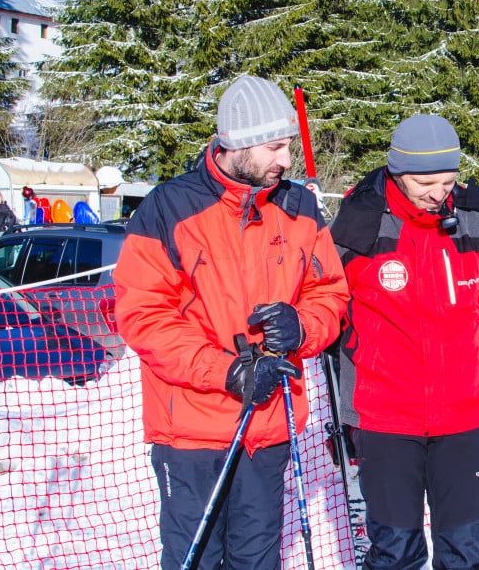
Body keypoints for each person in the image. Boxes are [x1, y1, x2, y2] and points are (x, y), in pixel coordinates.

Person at [113, 75, 350, 569]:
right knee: (194, 559)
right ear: (235, 145)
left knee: (257, 560)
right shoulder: (169, 208)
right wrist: (227, 371)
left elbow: (329, 294)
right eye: (274, 147)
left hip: (267, 427)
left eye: (287, 146)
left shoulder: (299, 206)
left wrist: (302, 326)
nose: (285, 161)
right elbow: (143, 314)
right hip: (192, 432)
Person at [329, 114, 479, 570]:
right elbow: (331, 317)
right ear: (396, 172)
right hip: (387, 420)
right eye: (424, 181)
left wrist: (458, 358)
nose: (438, 192)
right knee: (394, 555)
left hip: (465, 419)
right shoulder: (360, 230)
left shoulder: (478, 229)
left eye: (448, 181)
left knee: (464, 556)